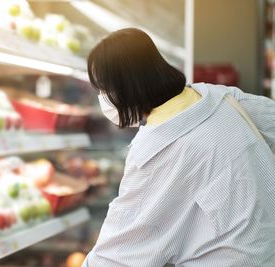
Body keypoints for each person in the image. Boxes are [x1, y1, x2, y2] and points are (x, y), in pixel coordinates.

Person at [82, 28, 275, 267]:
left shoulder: (156, 152)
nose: (103, 98)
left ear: (126, 87)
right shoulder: (217, 96)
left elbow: (121, 250)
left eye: (104, 89)